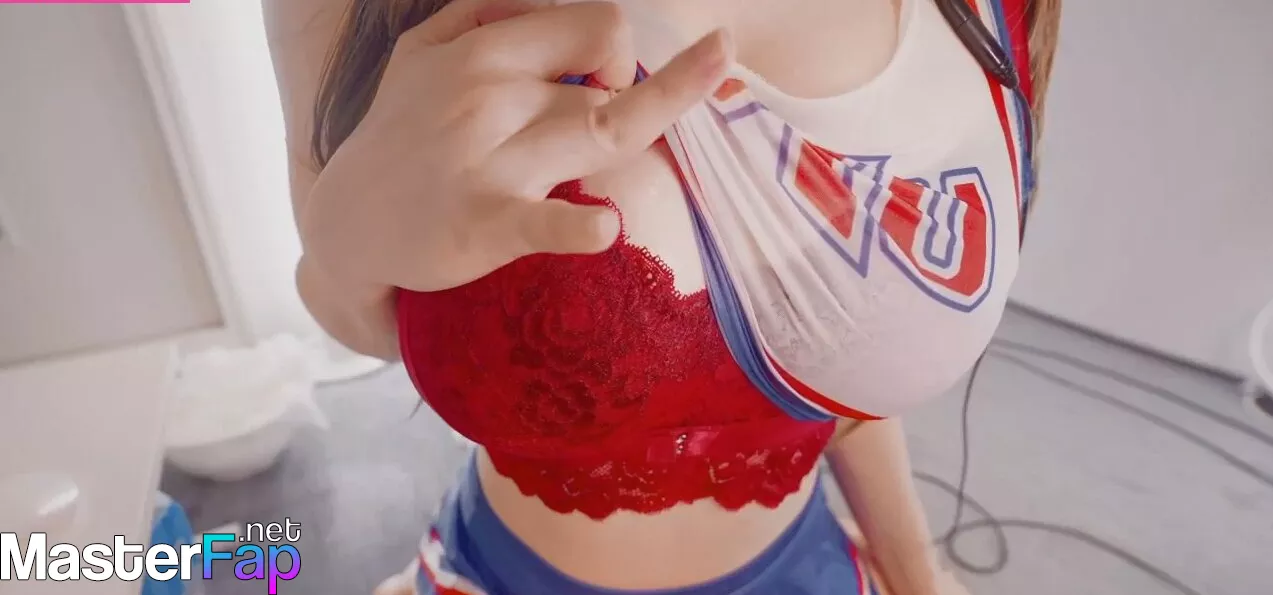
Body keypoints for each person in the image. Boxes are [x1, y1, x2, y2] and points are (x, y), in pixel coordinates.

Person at [262, 0, 1061, 593]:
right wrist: (346, 239)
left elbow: (847, 341)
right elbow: (360, 317)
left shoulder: (988, 18)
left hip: (812, 569)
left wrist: (914, 571)